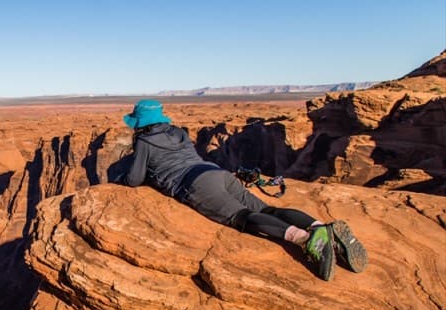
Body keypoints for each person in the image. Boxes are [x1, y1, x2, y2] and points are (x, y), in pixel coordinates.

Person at [117, 99, 367, 281]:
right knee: (269, 208)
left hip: (195, 185)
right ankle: (318, 226)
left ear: (139, 123)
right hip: (215, 172)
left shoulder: (144, 140)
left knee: (241, 217)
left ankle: (306, 240)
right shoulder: (178, 132)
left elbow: (135, 179)